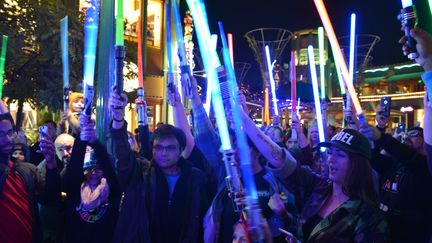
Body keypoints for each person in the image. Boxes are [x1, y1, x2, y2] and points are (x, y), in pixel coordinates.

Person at [108, 88, 209, 243]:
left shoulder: (196, 178)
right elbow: (122, 153)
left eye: (170, 148)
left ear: (181, 150)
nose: (163, 153)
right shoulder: (140, 173)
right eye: (158, 147)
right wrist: (118, 119)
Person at [269, 128, 388, 242]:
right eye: (330, 152)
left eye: (340, 155)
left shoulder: (368, 218)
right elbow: (283, 162)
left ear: (357, 164)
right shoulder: (319, 187)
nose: (331, 159)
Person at [0, 101, 61, 243]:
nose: (7, 139)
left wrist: (51, 162)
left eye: (9, 132)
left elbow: (51, 199)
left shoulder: (27, 171)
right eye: (0, 134)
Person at [62, 115, 121, 243]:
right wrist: (82, 138)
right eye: (90, 169)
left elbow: (107, 165)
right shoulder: (76, 189)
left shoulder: (111, 190)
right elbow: (75, 166)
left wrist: (95, 142)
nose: (94, 173)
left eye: (98, 169)